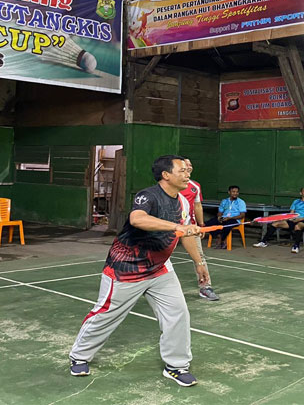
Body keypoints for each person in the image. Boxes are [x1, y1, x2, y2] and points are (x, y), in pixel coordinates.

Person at [69, 155, 208, 387]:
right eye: (182, 170)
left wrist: (199, 262)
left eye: (188, 170)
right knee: (106, 315)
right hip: (126, 269)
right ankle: (79, 356)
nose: (188, 174)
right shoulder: (148, 196)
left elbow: (186, 234)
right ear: (166, 175)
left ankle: (176, 366)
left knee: (178, 314)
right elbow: (137, 219)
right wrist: (177, 226)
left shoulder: (183, 202)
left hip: (160, 269)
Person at [179, 158, 219, 301]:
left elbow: (197, 206)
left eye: (190, 164)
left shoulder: (195, 186)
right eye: (186, 165)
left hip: (190, 227)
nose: (189, 167)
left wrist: (201, 226)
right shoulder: (171, 186)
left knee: (199, 256)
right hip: (170, 227)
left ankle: (205, 287)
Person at [255, 187, 304, 253]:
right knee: (275, 224)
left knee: (297, 226)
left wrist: (300, 219)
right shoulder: (296, 201)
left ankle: (296, 246)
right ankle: (263, 242)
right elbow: (291, 213)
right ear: (301, 193)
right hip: (294, 219)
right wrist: (290, 218)